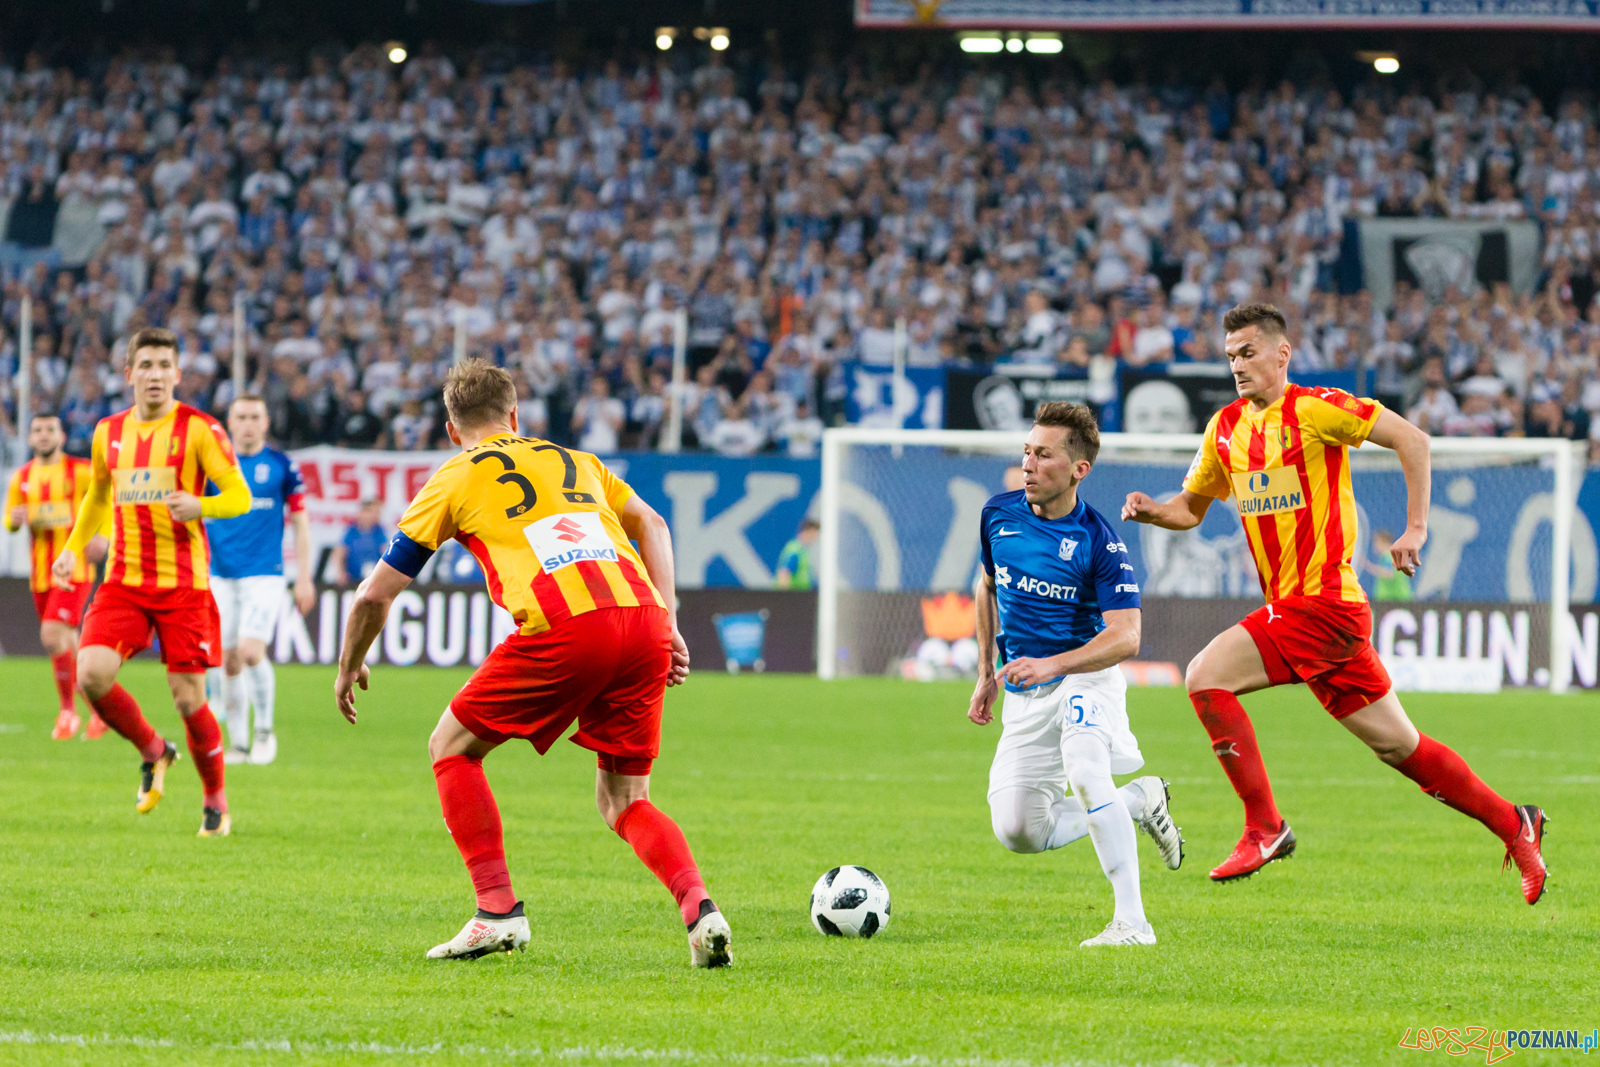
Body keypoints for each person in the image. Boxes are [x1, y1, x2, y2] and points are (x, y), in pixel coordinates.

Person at [1121, 303, 1548, 903]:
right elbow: (1190, 511)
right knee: (1401, 747)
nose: (1238, 365)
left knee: (1204, 676)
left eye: (1248, 352)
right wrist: (1152, 510)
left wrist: (1416, 528)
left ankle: (1265, 827)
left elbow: (1413, 439)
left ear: (1281, 353)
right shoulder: (1224, 429)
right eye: (1230, 356)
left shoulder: (1316, 408)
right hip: (1309, 618)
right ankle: (1515, 824)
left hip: (1323, 604)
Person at [333, 358, 730, 966]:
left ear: (450, 430)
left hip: (566, 626)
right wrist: (669, 621)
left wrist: (348, 665)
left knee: (452, 747)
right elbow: (652, 523)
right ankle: (700, 910)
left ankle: (497, 911)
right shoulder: (576, 461)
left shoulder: (454, 476)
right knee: (627, 801)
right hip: (644, 618)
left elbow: (374, 594)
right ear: (516, 416)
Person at [969, 402, 1184, 949]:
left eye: (1043, 455)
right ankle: (1138, 801)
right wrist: (984, 672)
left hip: (1085, 678)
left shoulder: (1100, 541)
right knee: (1018, 830)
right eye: (1026, 451)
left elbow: (1127, 637)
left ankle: (1133, 923)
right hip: (1025, 687)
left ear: (1077, 469)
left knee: (1088, 773)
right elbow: (986, 586)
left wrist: (1057, 664)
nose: (1029, 464)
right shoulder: (998, 515)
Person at [51, 327, 251, 837]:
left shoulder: (201, 430)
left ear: (178, 374)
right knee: (91, 673)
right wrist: (72, 550)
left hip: (184, 584)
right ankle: (154, 750)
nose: (156, 374)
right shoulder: (107, 432)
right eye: (146, 365)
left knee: (188, 697)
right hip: (123, 580)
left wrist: (200, 505)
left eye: (165, 365)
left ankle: (216, 800)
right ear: (130, 374)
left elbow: (239, 497)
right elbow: (98, 495)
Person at [204, 395, 317, 765]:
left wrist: (305, 578)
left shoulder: (282, 465)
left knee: (252, 652)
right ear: (229, 423)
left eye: (255, 416)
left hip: (264, 575)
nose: (249, 423)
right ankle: (237, 743)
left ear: (265, 422)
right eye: (242, 417)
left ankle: (264, 730)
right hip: (220, 576)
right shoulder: (213, 467)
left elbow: (301, 524)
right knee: (228, 659)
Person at [4, 413, 109, 739]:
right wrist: (15, 519)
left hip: (75, 569)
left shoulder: (79, 470)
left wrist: (102, 535)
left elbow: (105, 500)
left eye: (50, 429)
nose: (44, 435)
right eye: (37, 430)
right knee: (67, 642)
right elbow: (10, 518)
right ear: (31, 438)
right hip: (40, 575)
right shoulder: (22, 477)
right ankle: (100, 712)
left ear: (62, 435)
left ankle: (67, 713)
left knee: (51, 636)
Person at [330, 500, 387, 586]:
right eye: (373, 512)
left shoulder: (379, 531)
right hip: (352, 579)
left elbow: (385, 552)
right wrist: (341, 573)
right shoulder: (351, 531)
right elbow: (339, 552)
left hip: (373, 580)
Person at [1365, 529, 1413, 601]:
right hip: (1398, 598)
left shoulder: (1388, 556)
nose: (1374, 546)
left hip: (1393, 599)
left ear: (1382, 542)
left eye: (1376, 542)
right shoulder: (1395, 554)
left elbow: (1389, 573)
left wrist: (1371, 567)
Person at [775, 518, 818, 589]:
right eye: (814, 533)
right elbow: (784, 574)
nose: (815, 538)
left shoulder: (803, 550)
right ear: (809, 531)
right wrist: (785, 597)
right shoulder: (795, 549)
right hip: (793, 596)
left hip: (801, 595)